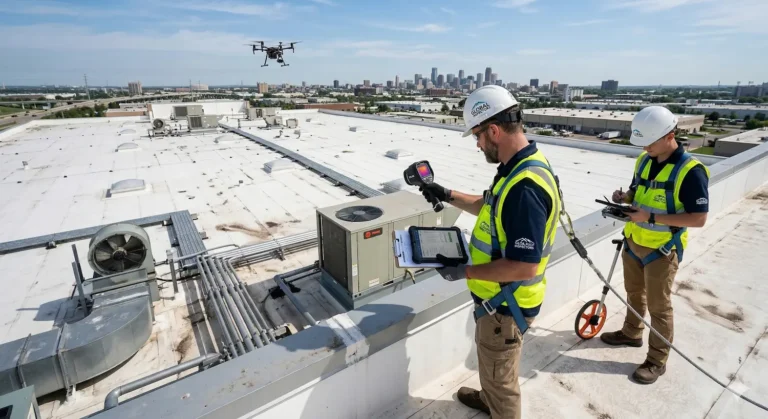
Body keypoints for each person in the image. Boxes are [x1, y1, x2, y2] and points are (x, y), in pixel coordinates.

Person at [419, 85, 561, 419]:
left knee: (503, 379)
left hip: (505, 308)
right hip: (498, 302)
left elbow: (523, 267)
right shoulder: (518, 168)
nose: (479, 145)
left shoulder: (525, 188)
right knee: (496, 369)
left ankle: (499, 405)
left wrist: (464, 271)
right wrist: (445, 192)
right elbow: (488, 205)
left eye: (478, 137)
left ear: (493, 130)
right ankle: (490, 397)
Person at [600, 106, 710, 384]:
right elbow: (639, 191)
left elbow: (698, 218)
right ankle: (632, 333)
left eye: (650, 141)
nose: (645, 146)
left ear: (670, 135)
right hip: (634, 241)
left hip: (662, 250)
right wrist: (625, 197)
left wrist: (650, 216)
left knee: (660, 308)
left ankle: (657, 360)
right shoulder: (644, 160)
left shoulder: (691, 171)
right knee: (634, 294)